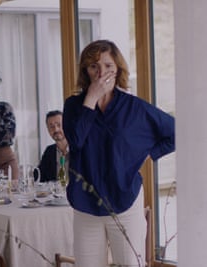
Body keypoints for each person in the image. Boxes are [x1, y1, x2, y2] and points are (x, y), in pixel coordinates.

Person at [62, 40, 175, 267]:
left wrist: (150, 153)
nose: (101, 72)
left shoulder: (135, 108)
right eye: (94, 66)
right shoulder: (74, 106)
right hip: (86, 206)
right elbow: (75, 141)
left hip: (125, 201)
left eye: (108, 66)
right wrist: (91, 99)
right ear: (86, 70)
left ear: (118, 69)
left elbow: (175, 131)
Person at [37, 110, 69, 182]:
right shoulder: (49, 151)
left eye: (59, 125)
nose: (56, 129)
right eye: (51, 126)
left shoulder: (78, 149)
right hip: (55, 193)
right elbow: (39, 176)